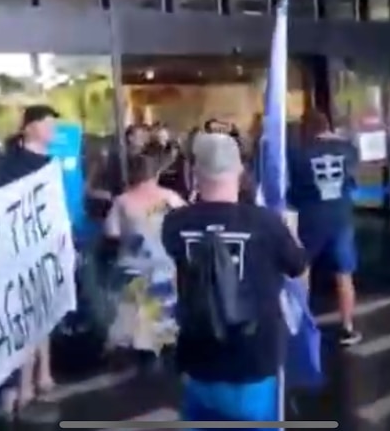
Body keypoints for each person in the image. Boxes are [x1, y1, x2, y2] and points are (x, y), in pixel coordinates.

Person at [161, 133, 307, 426]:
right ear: (240, 171)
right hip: (253, 359)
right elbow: (298, 267)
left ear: (194, 173)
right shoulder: (266, 223)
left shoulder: (174, 223)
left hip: (198, 357)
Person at [0, 104, 59, 413]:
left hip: (46, 245)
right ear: (30, 127)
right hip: (20, 251)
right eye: (47, 124)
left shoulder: (49, 162)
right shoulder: (10, 165)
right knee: (27, 317)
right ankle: (23, 385)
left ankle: (43, 373)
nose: (53, 130)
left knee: (45, 310)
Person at [287, 110, 362, 345]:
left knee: (303, 271)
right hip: (341, 218)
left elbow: (293, 190)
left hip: (310, 218)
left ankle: (300, 325)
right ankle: (348, 327)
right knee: (344, 274)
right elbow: (352, 180)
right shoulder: (348, 149)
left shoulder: (297, 154)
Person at [103, 154, 184, 359]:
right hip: (164, 268)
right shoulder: (171, 198)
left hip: (132, 268)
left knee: (132, 312)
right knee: (164, 314)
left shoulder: (122, 201)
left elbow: (111, 233)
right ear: (155, 174)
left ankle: (137, 349)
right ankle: (163, 345)